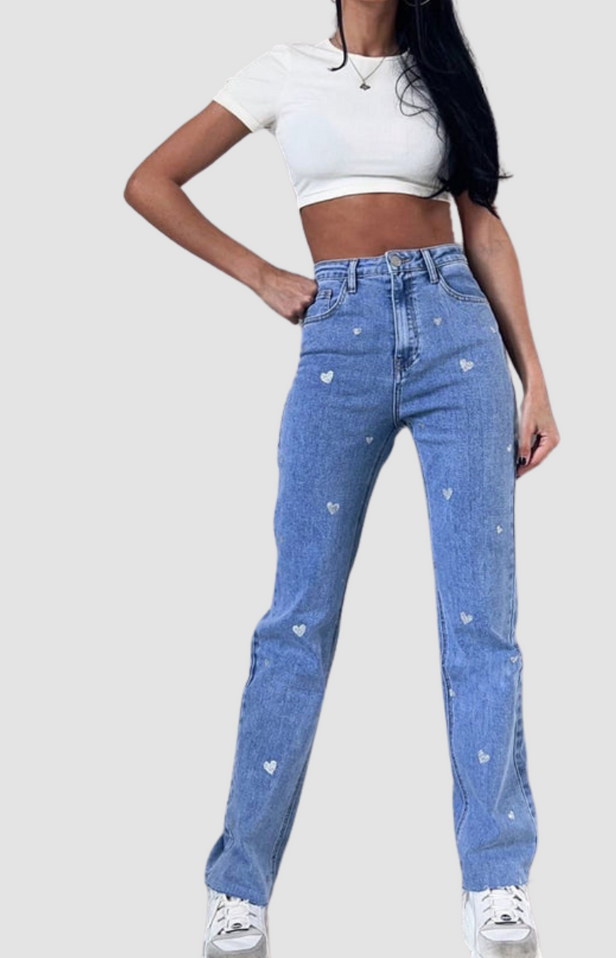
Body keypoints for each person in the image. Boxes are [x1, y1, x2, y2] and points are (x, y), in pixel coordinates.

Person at [124, 1, 560, 955]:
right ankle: (239, 885)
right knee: (297, 621)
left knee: (480, 622)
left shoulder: (441, 73)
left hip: (456, 336)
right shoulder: (283, 70)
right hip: (340, 340)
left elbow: (484, 229)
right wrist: (260, 274)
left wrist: (534, 379)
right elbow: (149, 182)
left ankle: (497, 879)